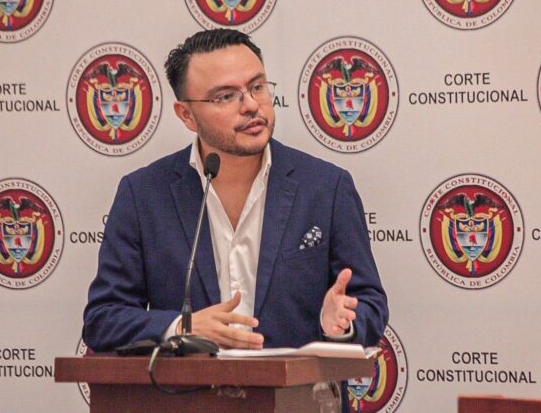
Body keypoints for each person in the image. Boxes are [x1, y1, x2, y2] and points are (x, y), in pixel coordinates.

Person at [83, 28, 388, 351]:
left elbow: (369, 304)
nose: (251, 105)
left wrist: (341, 323)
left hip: (295, 384)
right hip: (192, 385)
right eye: (225, 97)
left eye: (257, 87)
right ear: (187, 115)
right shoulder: (143, 195)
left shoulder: (326, 188)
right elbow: (103, 319)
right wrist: (181, 327)